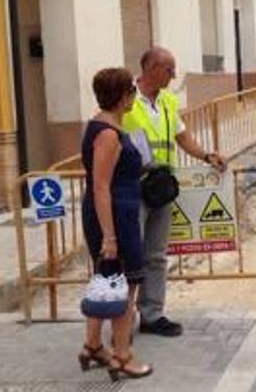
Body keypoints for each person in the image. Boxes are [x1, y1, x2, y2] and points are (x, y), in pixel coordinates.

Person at [123, 47, 227, 337]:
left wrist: (206, 156)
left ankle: (152, 314)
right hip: (134, 186)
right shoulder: (125, 97)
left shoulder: (167, 101)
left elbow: (182, 137)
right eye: (170, 70)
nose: (173, 76)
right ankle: (122, 318)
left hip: (161, 187)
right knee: (130, 255)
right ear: (152, 68)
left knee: (155, 255)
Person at [79, 67, 152, 380]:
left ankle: (93, 347)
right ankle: (122, 356)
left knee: (107, 281)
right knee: (125, 285)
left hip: (113, 212)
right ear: (123, 97)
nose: (134, 96)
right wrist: (109, 237)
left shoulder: (100, 125)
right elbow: (100, 186)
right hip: (115, 217)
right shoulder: (108, 134)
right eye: (132, 92)